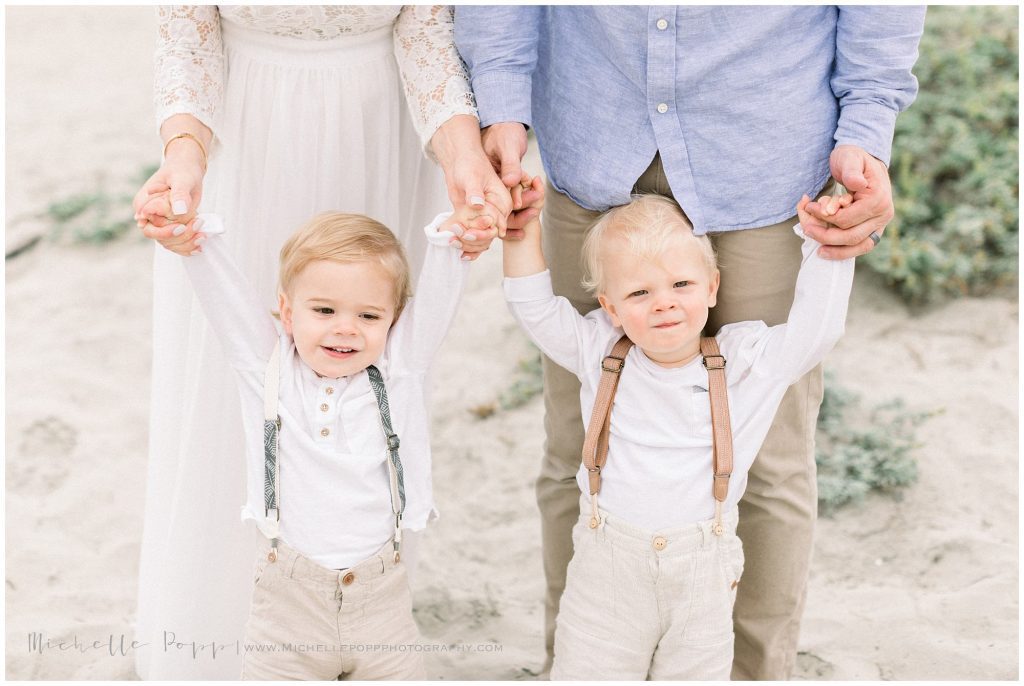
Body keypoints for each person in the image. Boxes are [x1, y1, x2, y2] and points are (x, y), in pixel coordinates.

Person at [455, 6, 926, 678]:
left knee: (766, 464)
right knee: (579, 447)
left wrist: (868, 127)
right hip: (593, 125)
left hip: (766, 149)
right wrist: (501, 101)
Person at [132, 6, 510, 679]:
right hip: (246, 126)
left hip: (380, 125)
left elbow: (424, 32)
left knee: (377, 349)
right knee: (242, 366)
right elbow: (186, 38)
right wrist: (184, 159)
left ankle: (363, 595)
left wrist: (462, 156)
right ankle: (229, 618)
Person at [502, 186, 855, 679]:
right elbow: (535, 309)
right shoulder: (598, 351)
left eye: (681, 285)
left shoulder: (745, 361)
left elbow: (815, 332)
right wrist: (519, 233)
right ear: (610, 306)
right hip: (606, 573)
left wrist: (827, 248)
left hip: (702, 579)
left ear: (713, 287)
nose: (663, 304)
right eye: (639, 293)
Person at [136, 189, 493, 678]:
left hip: (381, 606)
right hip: (287, 609)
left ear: (392, 320)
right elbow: (229, 308)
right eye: (324, 311)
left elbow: (433, 310)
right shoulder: (269, 369)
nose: (346, 328)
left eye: (368, 316)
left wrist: (454, 244)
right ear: (287, 313)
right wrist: (197, 243)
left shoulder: (398, 370)